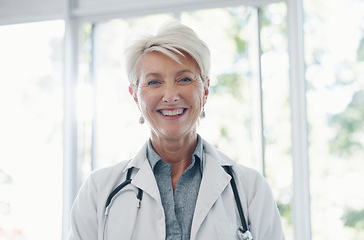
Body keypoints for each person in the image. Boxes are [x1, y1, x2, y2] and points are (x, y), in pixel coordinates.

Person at [68, 20, 285, 240]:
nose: (170, 95)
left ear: (205, 89)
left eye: (184, 79)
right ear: (135, 95)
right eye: (154, 82)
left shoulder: (250, 189)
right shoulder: (98, 191)